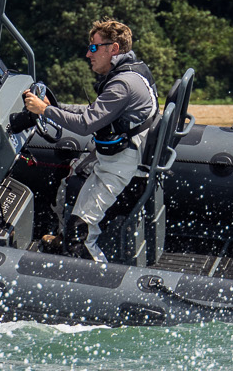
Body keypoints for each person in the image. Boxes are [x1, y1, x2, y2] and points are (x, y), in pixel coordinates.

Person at [12, 19, 158, 262]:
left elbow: (86, 124)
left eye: (93, 48)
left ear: (113, 49)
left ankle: (96, 283)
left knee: (80, 233)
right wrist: (53, 107)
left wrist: (44, 111)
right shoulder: (131, 72)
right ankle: (62, 242)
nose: (88, 54)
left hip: (121, 164)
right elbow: (94, 112)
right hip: (119, 155)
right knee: (70, 175)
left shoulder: (122, 84)